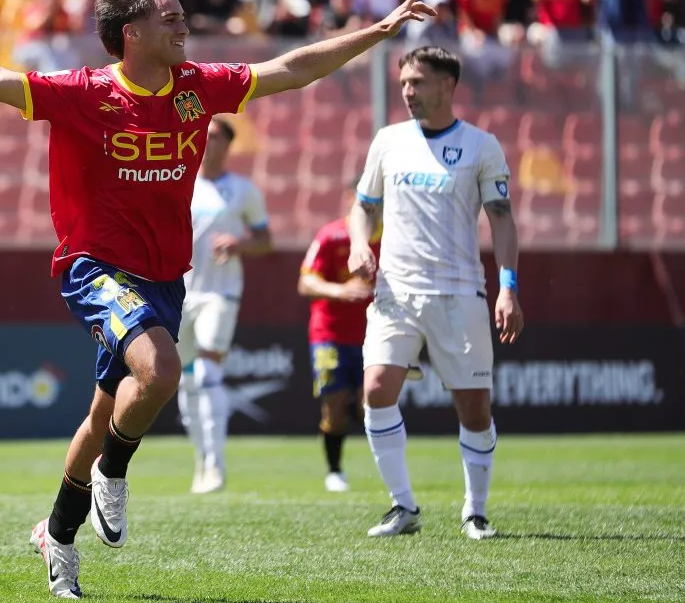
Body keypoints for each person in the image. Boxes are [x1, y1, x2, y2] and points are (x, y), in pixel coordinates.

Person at [0, 0, 436, 599]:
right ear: (133, 33)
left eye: (182, 16)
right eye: (169, 17)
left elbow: (290, 69)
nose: (183, 25)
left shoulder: (198, 86)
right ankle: (114, 472)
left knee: (103, 414)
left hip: (164, 278)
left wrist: (379, 30)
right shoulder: (82, 92)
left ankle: (58, 536)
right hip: (94, 267)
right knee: (162, 369)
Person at [348, 46, 524, 541]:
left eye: (418, 82)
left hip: (458, 293)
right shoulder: (387, 141)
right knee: (376, 389)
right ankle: (402, 505)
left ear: (448, 85)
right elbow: (363, 206)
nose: (408, 91)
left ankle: (475, 511)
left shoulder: (481, 146)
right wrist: (359, 243)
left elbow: (502, 220)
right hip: (395, 292)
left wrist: (508, 287)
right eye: (404, 82)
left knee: (475, 408)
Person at [298, 185, 421, 493]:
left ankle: (392, 478)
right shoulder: (331, 236)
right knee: (335, 407)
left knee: (372, 405)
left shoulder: (396, 237)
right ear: (351, 199)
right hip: (330, 335)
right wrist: (340, 290)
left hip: (377, 334)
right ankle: (334, 471)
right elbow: (306, 282)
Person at [178, 116, 272, 495]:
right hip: (178, 294)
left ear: (228, 145)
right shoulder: (180, 182)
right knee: (184, 379)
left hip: (220, 293)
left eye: (215, 136)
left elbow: (265, 240)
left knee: (206, 372)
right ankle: (201, 460)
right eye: (203, 135)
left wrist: (239, 244)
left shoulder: (243, 190)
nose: (207, 141)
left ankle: (216, 465)